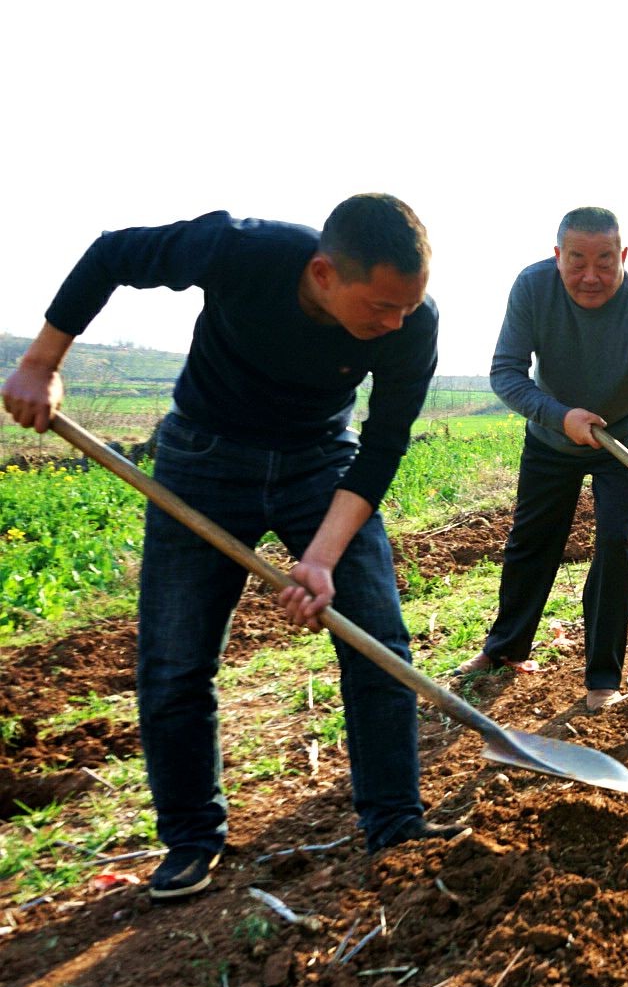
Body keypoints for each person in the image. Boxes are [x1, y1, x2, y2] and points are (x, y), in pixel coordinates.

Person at [1, 195, 463, 900]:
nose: (394, 324)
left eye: (408, 307)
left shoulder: (411, 322)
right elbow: (112, 254)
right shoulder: (239, 250)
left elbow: (383, 447)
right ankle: (190, 839)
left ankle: (394, 821)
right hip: (204, 458)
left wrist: (323, 557)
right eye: (381, 307)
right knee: (177, 657)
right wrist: (40, 362)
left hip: (321, 464)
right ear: (323, 273)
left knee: (379, 641)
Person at [454, 207, 628, 711]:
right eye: (577, 261)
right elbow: (506, 373)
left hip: (623, 442)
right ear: (558, 256)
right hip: (554, 436)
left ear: (622, 257)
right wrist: (560, 416)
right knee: (533, 539)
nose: (591, 276)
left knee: (615, 542)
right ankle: (506, 649)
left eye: (605, 262)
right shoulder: (532, 290)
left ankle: (603, 679)